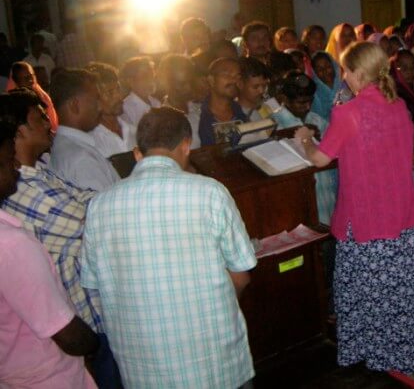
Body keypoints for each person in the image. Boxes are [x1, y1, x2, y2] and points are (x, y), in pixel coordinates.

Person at [80, 107, 257, 388]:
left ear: (138, 153)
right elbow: (241, 274)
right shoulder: (210, 192)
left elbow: (93, 284)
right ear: (186, 146)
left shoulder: (99, 205)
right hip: (213, 362)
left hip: (142, 370)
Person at [294, 41, 414, 374]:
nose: (343, 77)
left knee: (370, 294)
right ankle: (405, 352)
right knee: (400, 292)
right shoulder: (399, 106)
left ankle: (376, 355)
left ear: (357, 73)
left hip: (366, 221)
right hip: (400, 216)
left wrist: (304, 139)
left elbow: (320, 158)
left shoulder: (349, 113)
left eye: (345, 71)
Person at [0, 90, 123, 388]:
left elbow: (86, 198)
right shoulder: (24, 192)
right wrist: (90, 344)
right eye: (40, 118)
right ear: (20, 131)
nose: (49, 123)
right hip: (76, 329)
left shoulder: (39, 171)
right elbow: (93, 223)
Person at [271, 71, 337, 225]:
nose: (307, 106)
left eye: (310, 101)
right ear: (284, 99)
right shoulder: (275, 125)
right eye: (301, 103)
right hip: (300, 201)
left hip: (326, 196)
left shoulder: (316, 120)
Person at [49, 69, 120, 191]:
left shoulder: (65, 145)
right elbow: (107, 202)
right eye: (96, 100)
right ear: (74, 105)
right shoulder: (81, 159)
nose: (100, 107)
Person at [87, 62, 137, 158]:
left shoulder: (133, 131)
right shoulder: (91, 140)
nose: (119, 96)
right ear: (94, 98)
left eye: (118, 89)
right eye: (110, 92)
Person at [198, 57, 247, 146]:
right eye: (227, 75)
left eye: (238, 76)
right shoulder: (197, 117)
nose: (234, 80)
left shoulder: (245, 113)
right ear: (211, 80)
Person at [157, 54, 202, 149]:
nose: (188, 88)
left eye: (191, 82)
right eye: (182, 84)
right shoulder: (161, 121)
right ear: (166, 83)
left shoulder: (201, 107)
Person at [7, 61, 59, 131]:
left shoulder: (43, 97)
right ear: (16, 81)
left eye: (31, 76)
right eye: (26, 78)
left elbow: (52, 124)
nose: (30, 80)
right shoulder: (11, 104)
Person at [119, 56, 161, 127]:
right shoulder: (125, 109)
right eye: (145, 77)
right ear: (130, 81)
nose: (150, 81)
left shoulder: (156, 103)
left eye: (152, 76)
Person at [236, 57, 271, 121]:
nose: (261, 91)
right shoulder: (234, 114)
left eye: (264, 85)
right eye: (255, 87)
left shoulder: (269, 105)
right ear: (240, 84)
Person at [310, 51, 342, 121]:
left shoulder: (345, 84)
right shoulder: (315, 94)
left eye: (328, 66)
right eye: (319, 69)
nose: (325, 71)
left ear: (333, 65)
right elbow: (317, 120)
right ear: (314, 72)